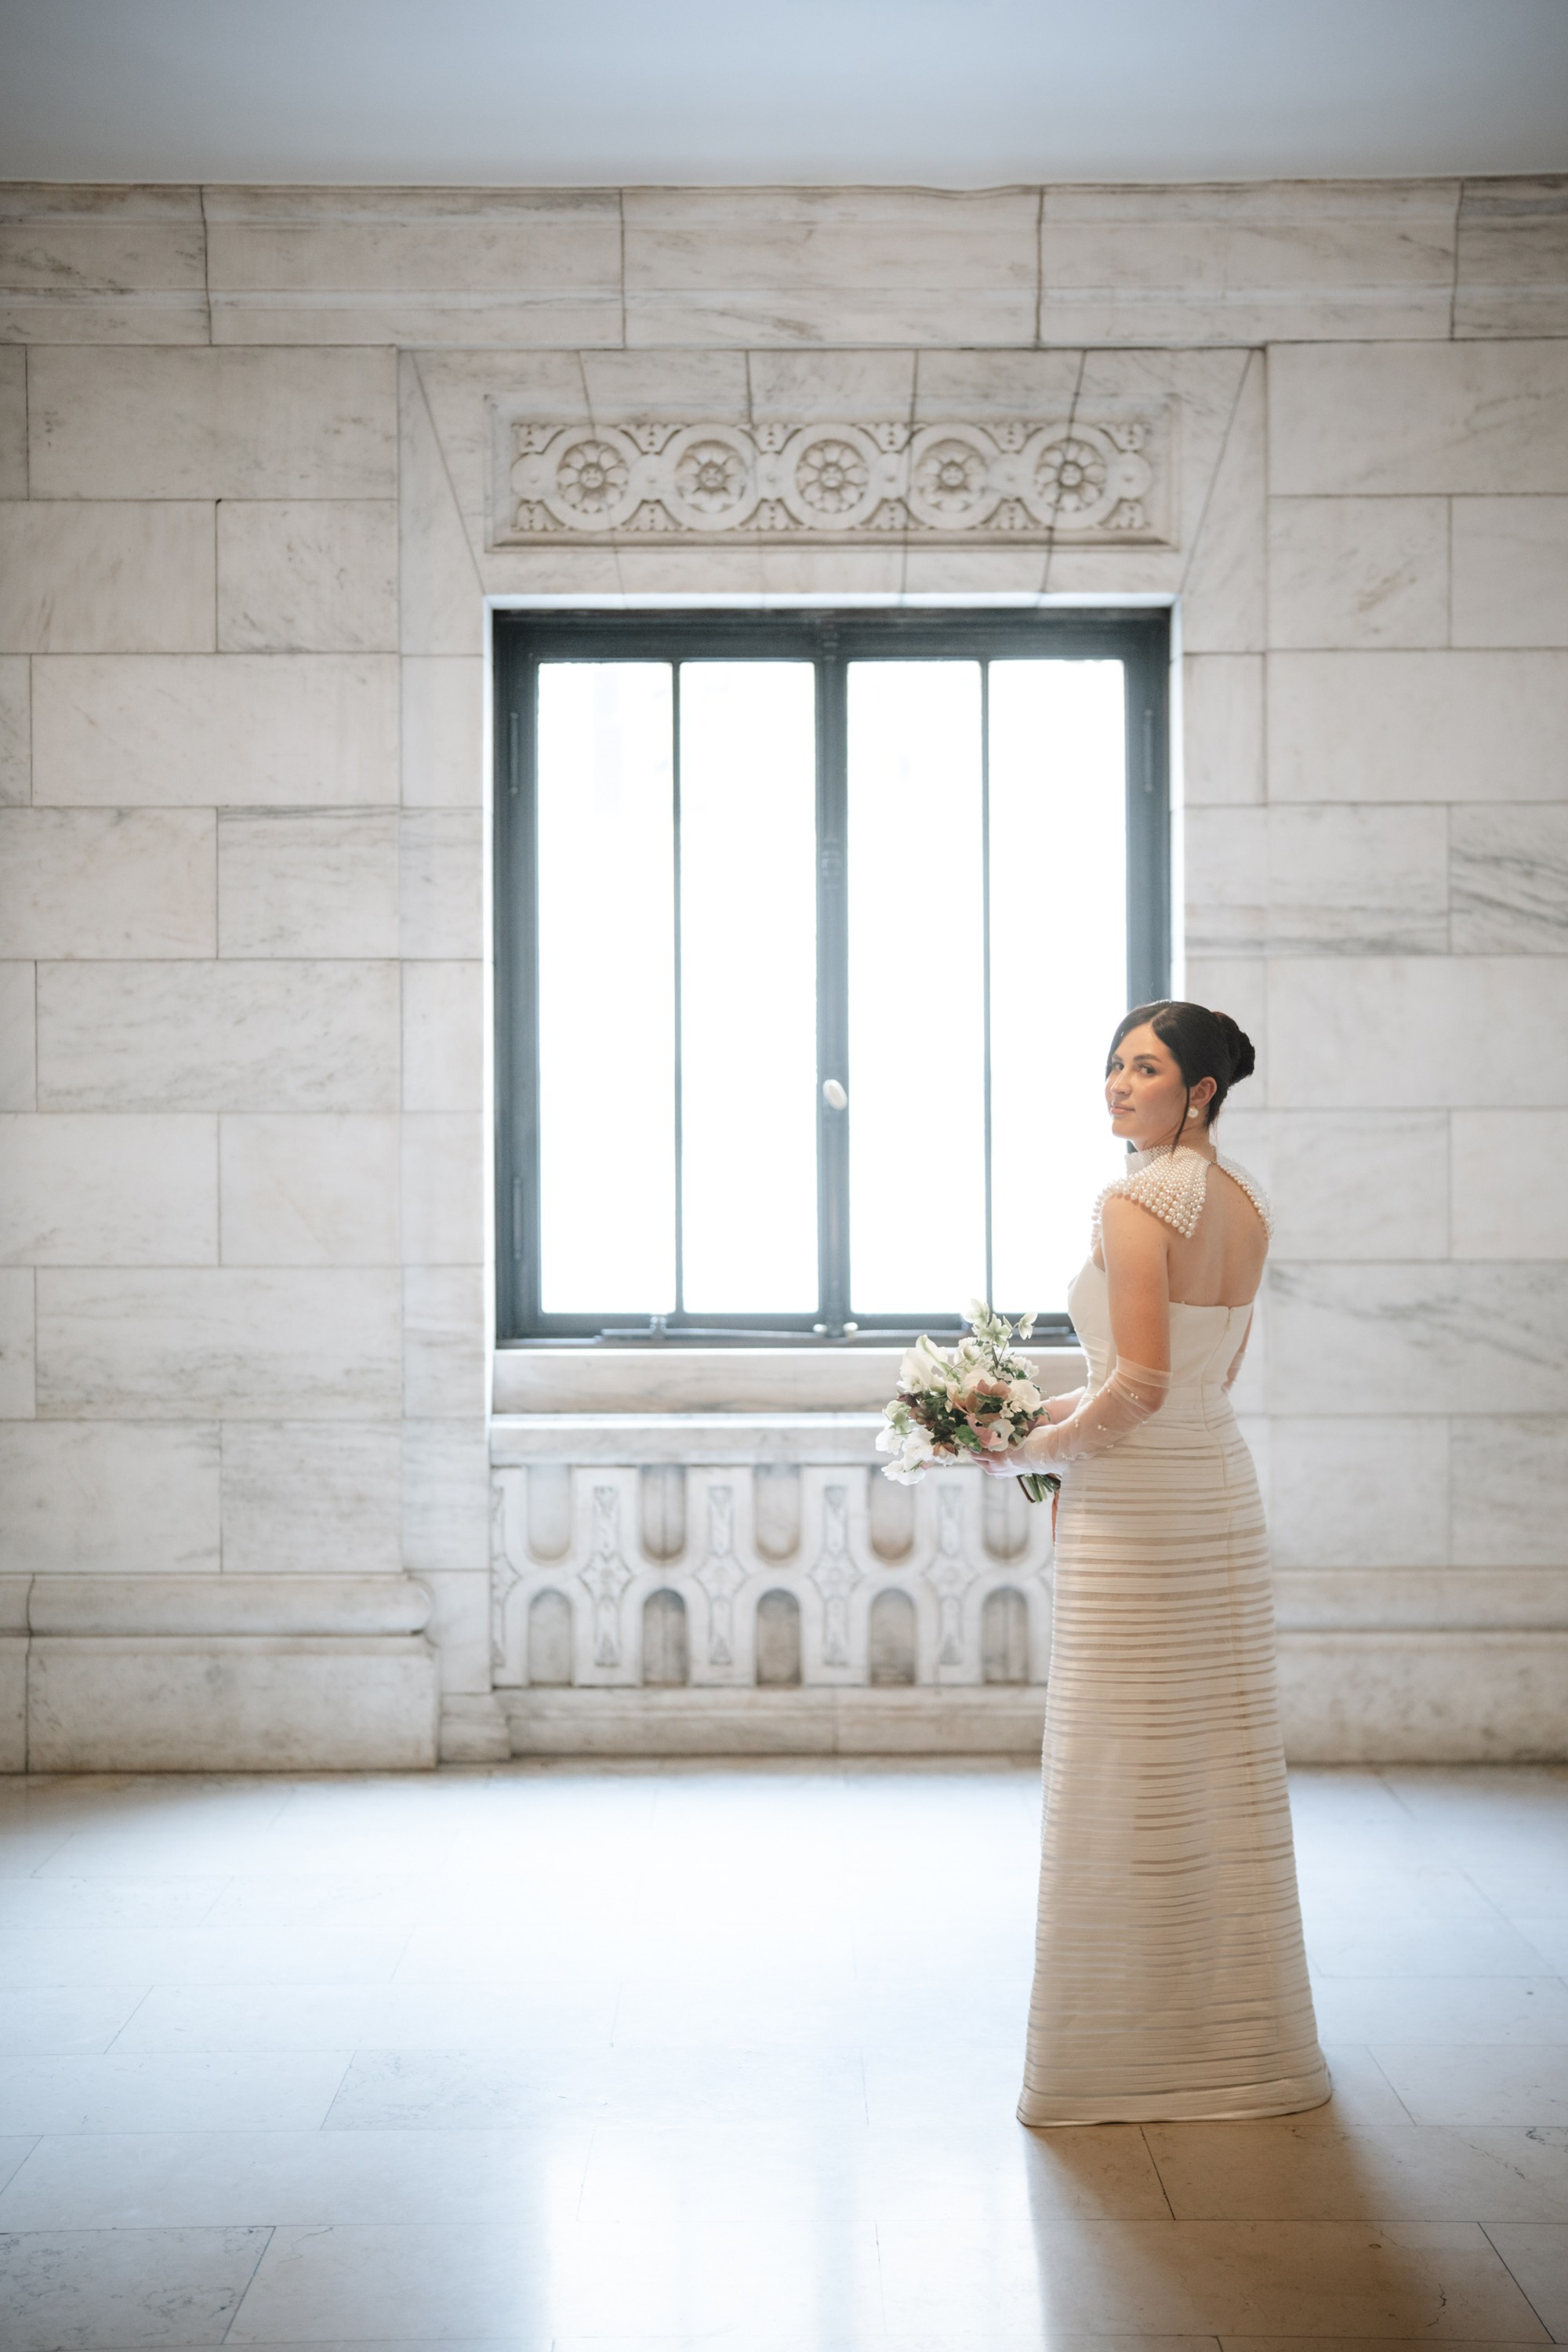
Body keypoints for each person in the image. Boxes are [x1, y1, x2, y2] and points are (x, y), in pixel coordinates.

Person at [982, 1000, 1330, 2125]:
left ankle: (1127, 2055)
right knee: (1215, 1757)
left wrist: (1023, 1451)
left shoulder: (1134, 1204)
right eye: (1114, 1066)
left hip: (1136, 1511)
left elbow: (1135, 1391)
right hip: (1215, 1492)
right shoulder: (1248, 1203)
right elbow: (1202, 1384)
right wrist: (1022, 1414)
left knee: (1120, 1756)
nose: (1118, 1085)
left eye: (1144, 1068)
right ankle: (1241, 2043)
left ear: (1201, 1091)